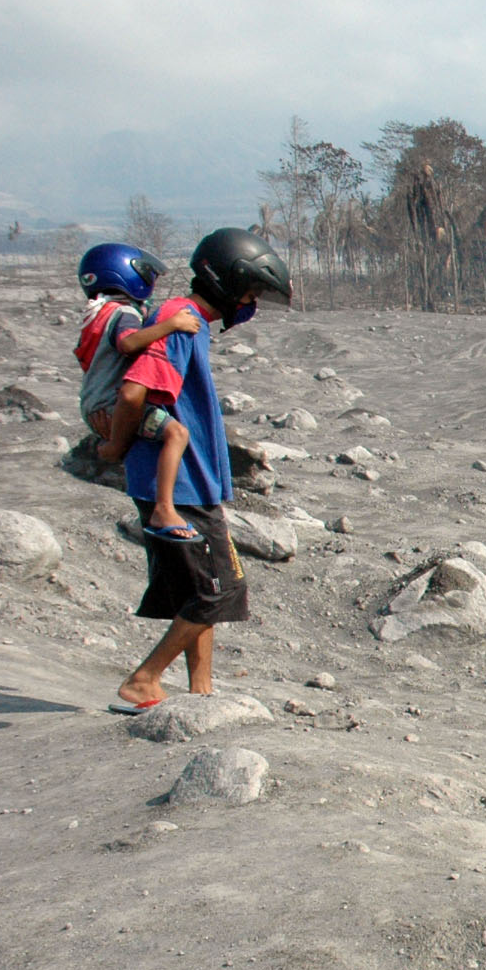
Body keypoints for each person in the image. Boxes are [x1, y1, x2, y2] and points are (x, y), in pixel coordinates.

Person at [109, 228, 291, 713]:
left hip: (188, 481)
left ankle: (201, 692)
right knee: (223, 589)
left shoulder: (189, 324)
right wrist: (116, 448)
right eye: (252, 292)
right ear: (230, 283)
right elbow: (132, 393)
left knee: (199, 590)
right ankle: (144, 680)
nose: (253, 303)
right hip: (179, 485)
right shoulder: (178, 321)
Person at [74, 243, 202, 541]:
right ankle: (164, 509)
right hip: (111, 407)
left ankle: (112, 447)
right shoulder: (124, 313)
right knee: (177, 434)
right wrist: (173, 324)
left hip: (94, 405)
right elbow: (129, 344)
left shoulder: (99, 313)